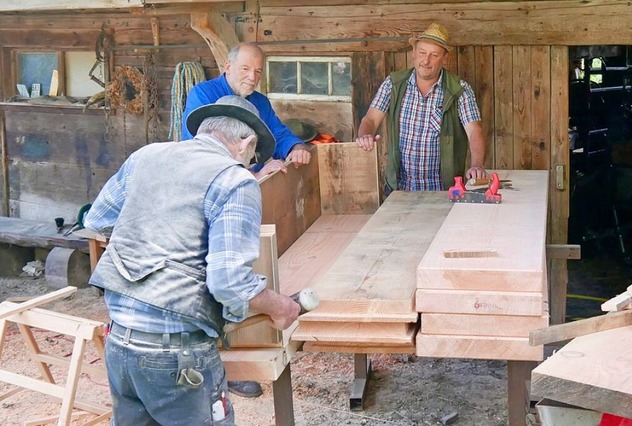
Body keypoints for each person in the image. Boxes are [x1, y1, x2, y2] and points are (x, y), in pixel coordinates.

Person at [84, 95, 301, 424]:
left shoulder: (148, 155)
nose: (249, 164)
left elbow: (96, 219)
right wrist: (279, 306)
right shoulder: (234, 180)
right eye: (252, 157)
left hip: (120, 340)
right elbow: (230, 284)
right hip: (177, 354)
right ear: (248, 143)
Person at [355, 23, 488, 194]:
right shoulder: (394, 84)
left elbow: (474, 131)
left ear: (445, 59)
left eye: (434, 55)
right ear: (414, 54)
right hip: (399, 190)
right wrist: (364, 135)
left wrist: (477, 165)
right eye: (422, 53)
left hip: (443, 192)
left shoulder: (459, 90)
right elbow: (371, 119)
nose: (426, 61)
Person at [182, 42, 311, 182]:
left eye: (258, 71)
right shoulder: (203, 94)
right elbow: (205, 150)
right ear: (228, 67)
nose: (252, 77)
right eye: (245, 69)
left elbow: (278, 135)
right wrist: (253, 176)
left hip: (251, 179)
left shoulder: (260, 101)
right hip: (210, 182)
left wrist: (296, 147)